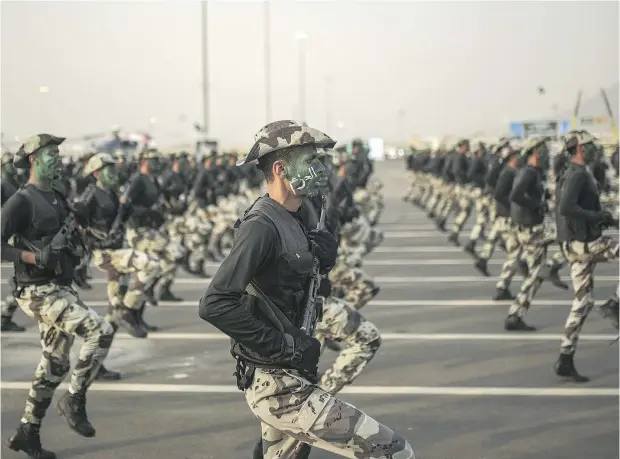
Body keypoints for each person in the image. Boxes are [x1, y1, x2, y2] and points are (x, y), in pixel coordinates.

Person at [199, 120, 414, 459]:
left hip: (292, 377)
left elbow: (282, 287)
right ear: (281, 168)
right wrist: (287, 347)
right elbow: (215, 303)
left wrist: (321, 264)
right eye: (310, 160)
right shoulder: (261, 226)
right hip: (278, 388)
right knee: (396, 452)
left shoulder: (293, 216)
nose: (319, 168)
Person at [2, 134, 114, 459]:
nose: (59, 158)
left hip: (59, 287)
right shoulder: (21, 201)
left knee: (55, 363)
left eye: (59, 153)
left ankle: (28, 431)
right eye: (52, 153)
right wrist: (30, 257)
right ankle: (75, 398)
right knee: (99, 331)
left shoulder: (57, 195)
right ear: (34, 159)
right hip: (36, 291)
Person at [555, 131, 619, 382]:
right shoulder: (578, 174)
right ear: (580, 148)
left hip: (576, 245)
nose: (595, 149)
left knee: (582, 303)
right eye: (591, 145)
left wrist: (605, 217)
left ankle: (565, 358)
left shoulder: (571, 173)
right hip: (585, 245)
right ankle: (615, 304)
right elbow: (566, 208)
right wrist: (596, 218)